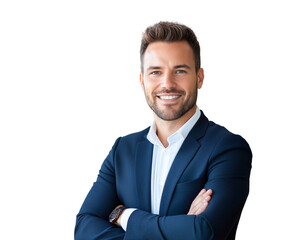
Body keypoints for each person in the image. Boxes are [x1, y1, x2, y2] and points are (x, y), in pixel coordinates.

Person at [75, 21, 252, 240]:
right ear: (142, 81)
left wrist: (125, 217)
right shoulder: (123, 150)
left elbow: (203, 232)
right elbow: (83, 228)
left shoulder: (228, 149)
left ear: (199, 77)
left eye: (179, 70)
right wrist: (181, 226)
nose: (167, 83)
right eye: (155, 72)